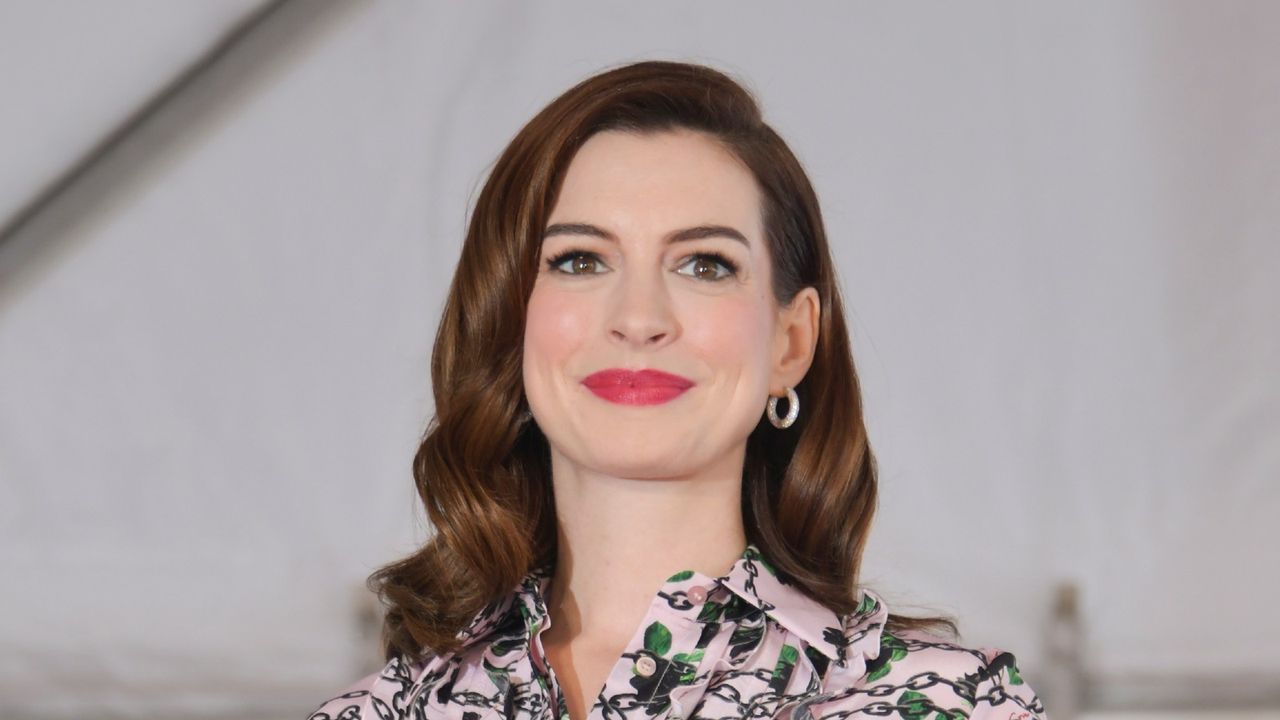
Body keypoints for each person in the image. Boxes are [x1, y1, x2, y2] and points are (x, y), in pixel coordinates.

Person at [305, 60, 1047, 720]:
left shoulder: (945, 706)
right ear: (508, 321)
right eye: (579, 260)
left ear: (792, 342)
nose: (638, 319)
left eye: (704, 265)